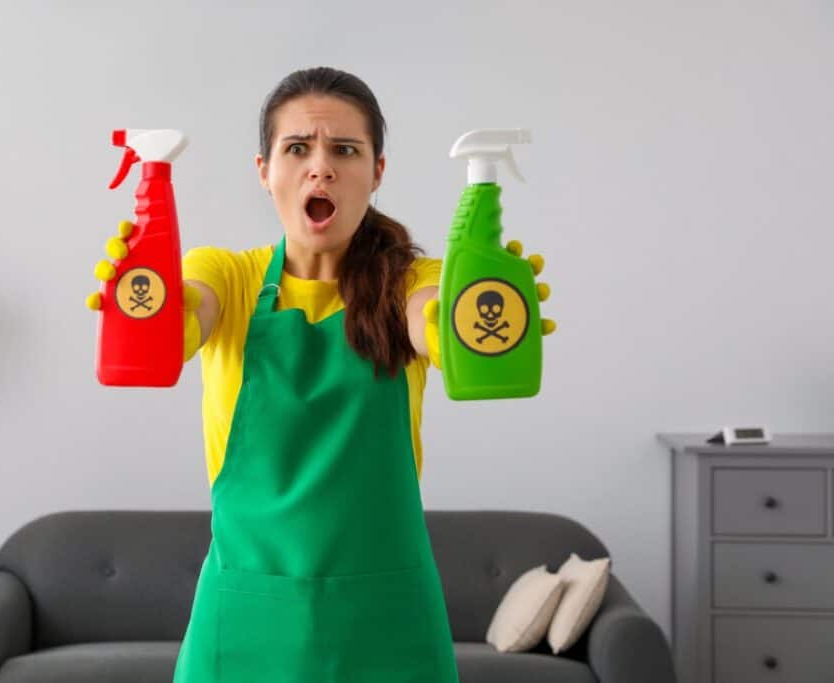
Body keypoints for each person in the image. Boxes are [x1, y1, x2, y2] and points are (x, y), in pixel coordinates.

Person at [86, 66, 554, 683]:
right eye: (298, 148)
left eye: (345, 149)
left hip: (386, 623)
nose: (321, 166)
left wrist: (476, 315)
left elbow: (432, 324)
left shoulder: (410, 281)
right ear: (265, 171)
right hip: (244, 618)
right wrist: (142, 304)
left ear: (377, 172)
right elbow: (179, 330)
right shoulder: (226, 275)